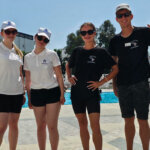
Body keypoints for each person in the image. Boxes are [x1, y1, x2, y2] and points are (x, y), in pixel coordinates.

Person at [66, 22, 118, 150]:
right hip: (77, 93)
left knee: (95, 127)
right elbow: (68, 65)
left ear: (94, 33)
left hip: (92, 93)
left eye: (89, 32)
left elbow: (115, 68)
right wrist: (69, 77)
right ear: (81, 35)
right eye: (83, 33)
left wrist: (101, 82)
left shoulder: (101, 52)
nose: (87, 35)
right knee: (82, 124)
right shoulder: (77, 51)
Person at [108, 3, 150, 150]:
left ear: (131, 16)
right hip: (123, 84)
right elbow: (114, 65)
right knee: (128, 120)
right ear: (116, 19)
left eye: (126, 15)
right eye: (120, 16)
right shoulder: (114, 41)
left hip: (141, 83)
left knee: (143, 119)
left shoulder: (144, 33)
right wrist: (114, 85)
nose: (123, 18)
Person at [24, 27, 65, 150]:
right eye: (40, 38)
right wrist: (29, 99)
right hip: (36, 93)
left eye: (45, 40)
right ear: (35, 37)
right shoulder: (27, 57)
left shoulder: (52, 54)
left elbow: (59, 75)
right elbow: (28, 80)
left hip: (52, 91)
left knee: (52, 126)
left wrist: (62, 94)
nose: (42, 41)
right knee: (40, 126)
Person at [0, 21, 25, 150]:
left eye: (13, 32)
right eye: (8, 32)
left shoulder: (18, 53)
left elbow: (20, 74)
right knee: (2, 127)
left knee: (14, 125)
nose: (11, 34)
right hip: (2, 93)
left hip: (16, 93)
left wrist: (23, 92)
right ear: (2, 33)